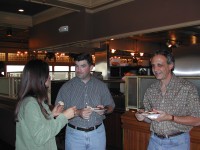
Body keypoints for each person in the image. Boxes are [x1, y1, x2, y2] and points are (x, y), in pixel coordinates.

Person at [135, 49, 200, 150]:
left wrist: (170, 117)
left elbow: (197, 120)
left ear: (170, 66)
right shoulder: (151, 90)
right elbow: (151, 118)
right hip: (154, 141)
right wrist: (143, 116)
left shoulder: (187, 88)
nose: (155, 69)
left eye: (159, 65)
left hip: (178, 143)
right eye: (153, 65)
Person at [55, 53, 115, 150]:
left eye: (83, 66)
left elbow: (111, 106)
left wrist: (104, 110)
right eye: (76, 66)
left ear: (91, 67)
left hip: (97, 133)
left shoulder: (101, 86)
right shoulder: (66, 87)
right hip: (74, 134)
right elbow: (57, 113)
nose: (78, 70)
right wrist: (78, 113)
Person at [14, 59, 76, 150]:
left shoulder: (37, 100)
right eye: (47, 74)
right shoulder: (30, 104)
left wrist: (52, 115)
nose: (50, 77)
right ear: (40, 77)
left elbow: (39, 125)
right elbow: (40, 136)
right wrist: (64, 117)